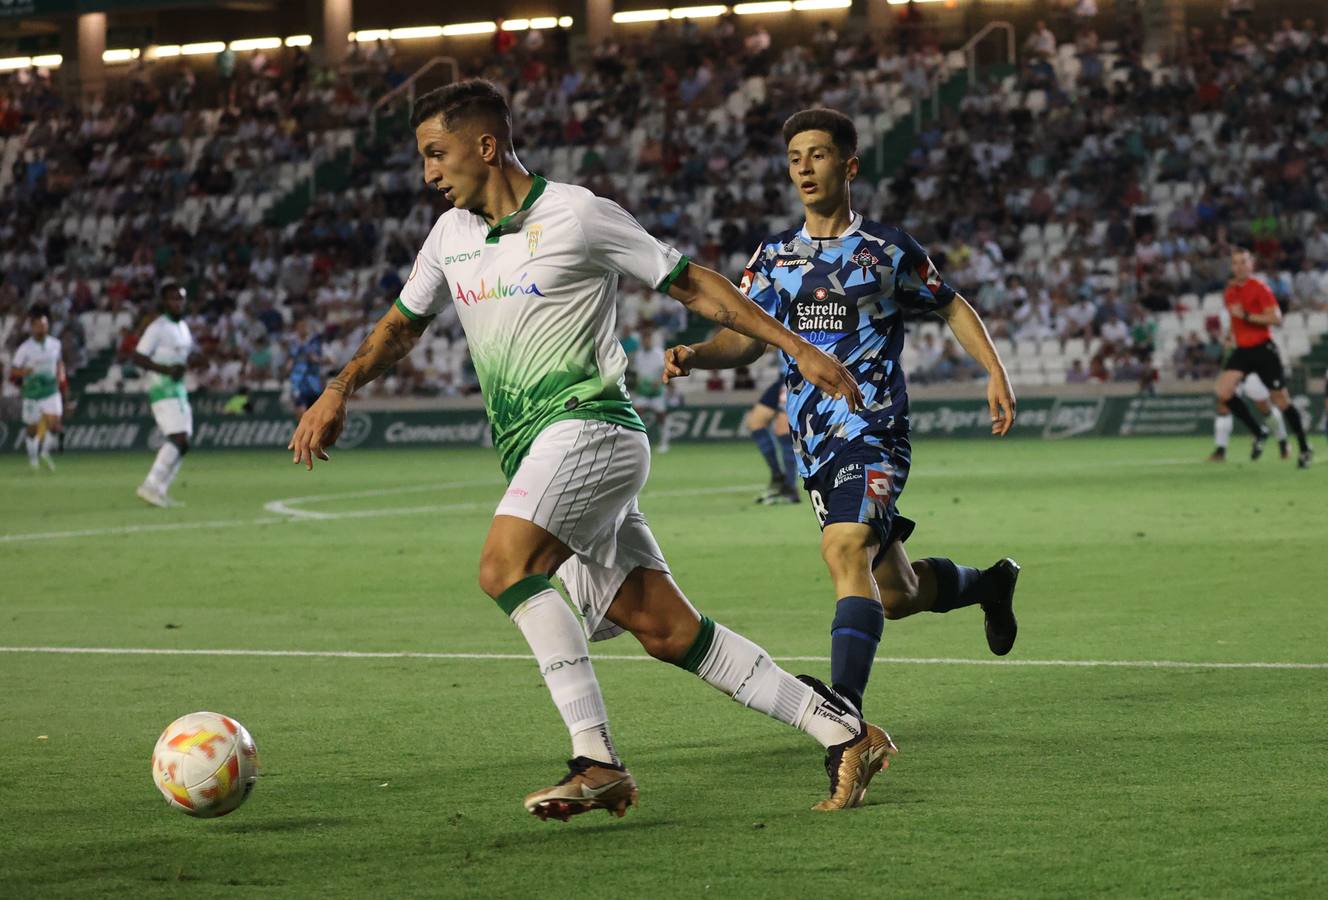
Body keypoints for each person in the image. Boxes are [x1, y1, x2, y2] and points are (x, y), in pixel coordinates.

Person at [287, 80, 892, 819]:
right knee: (668, 631)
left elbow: (694, 285)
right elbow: (401, 325)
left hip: (592, 429)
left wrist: (797, 348)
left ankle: (596, 760)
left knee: (504, 566)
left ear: (485, 146)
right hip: (537, 450)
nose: (429, 173)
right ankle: (844, 732)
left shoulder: (577, 214)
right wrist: (341, 387)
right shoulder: (450, 237)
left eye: (436, 154)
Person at [663, 108, 1021, 719]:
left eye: (818, 154)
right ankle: (989, 583)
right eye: (794, 157)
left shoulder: (887, 249)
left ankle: (843, 708)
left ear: (849, 165)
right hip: (815, 443)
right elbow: (747, 338)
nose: (804, 167)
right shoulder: (775, 255)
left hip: (873, 428)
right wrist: (697, 355)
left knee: (844, 549)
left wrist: (994, 369)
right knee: (898, 594)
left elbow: (950, 303)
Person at [1210, 247, 1312, 468]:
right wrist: (1230, 336)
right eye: (1235, 263)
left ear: (1251, 264)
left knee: (1281, 400)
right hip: (1243, 350)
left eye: (1243, 262)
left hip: (1263, 349)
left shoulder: (1260, 288)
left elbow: (1276, 318)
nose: (1239, 266)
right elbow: (1235, 323)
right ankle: (1259, 431)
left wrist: (1245, 315)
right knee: (1222, 391)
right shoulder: (1229, 291)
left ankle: (1304, 448)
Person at [133, 283, 201, 507]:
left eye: (181, 298)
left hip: (178, 389)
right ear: (164, 302)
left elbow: (181, 358)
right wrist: (166, 370)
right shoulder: (158, 327)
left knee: (184, 442)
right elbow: (138, 357)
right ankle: (150, 485)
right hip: (162, 389)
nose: (178, 303)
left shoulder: (183, 327)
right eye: (173, 299)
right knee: (178, 438)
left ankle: (160, 489)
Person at [11, 305, 64, 471]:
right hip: (33, 392)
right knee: (32, 430)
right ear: (32, 327)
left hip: (51, 390)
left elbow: (59, 362)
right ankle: (33, 460)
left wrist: (60, 375)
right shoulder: (25, 348)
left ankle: (44, 453)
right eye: (40, 325)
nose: (43, 327)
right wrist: (24, 371)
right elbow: (13, 370)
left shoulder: (55, 344)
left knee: (55, 425)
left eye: (45, 324)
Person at [746, 372, 799, 504]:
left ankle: (790, 488)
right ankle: (778, 476)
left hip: (797, 374)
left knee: (783, 430)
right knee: (755, 422)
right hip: (783, 377)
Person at [632, 323, 676, 453]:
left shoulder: (659, 354)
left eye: (648, 338)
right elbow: (638, 374)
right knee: (636, 415)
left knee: (661, 416)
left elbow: (665, 372)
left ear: (651, 339)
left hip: (657, 392)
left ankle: (664, 442)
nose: (646, 340)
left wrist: (659, 382)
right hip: (643, 392)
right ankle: (637, 443)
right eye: (644, 338)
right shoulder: (639, 355)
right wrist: (639, 382)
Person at [286, 318, 326, 417]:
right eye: (300, 327)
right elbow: (289, 363)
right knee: (301, 412)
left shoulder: (314, 343)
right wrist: (289, 368)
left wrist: (313, 358)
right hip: (299, 383)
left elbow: (319, 359)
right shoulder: (294, 345)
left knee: (315, 415)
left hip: (313, 383)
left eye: (304, 327)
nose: (302, 329)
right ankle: (301, 431)